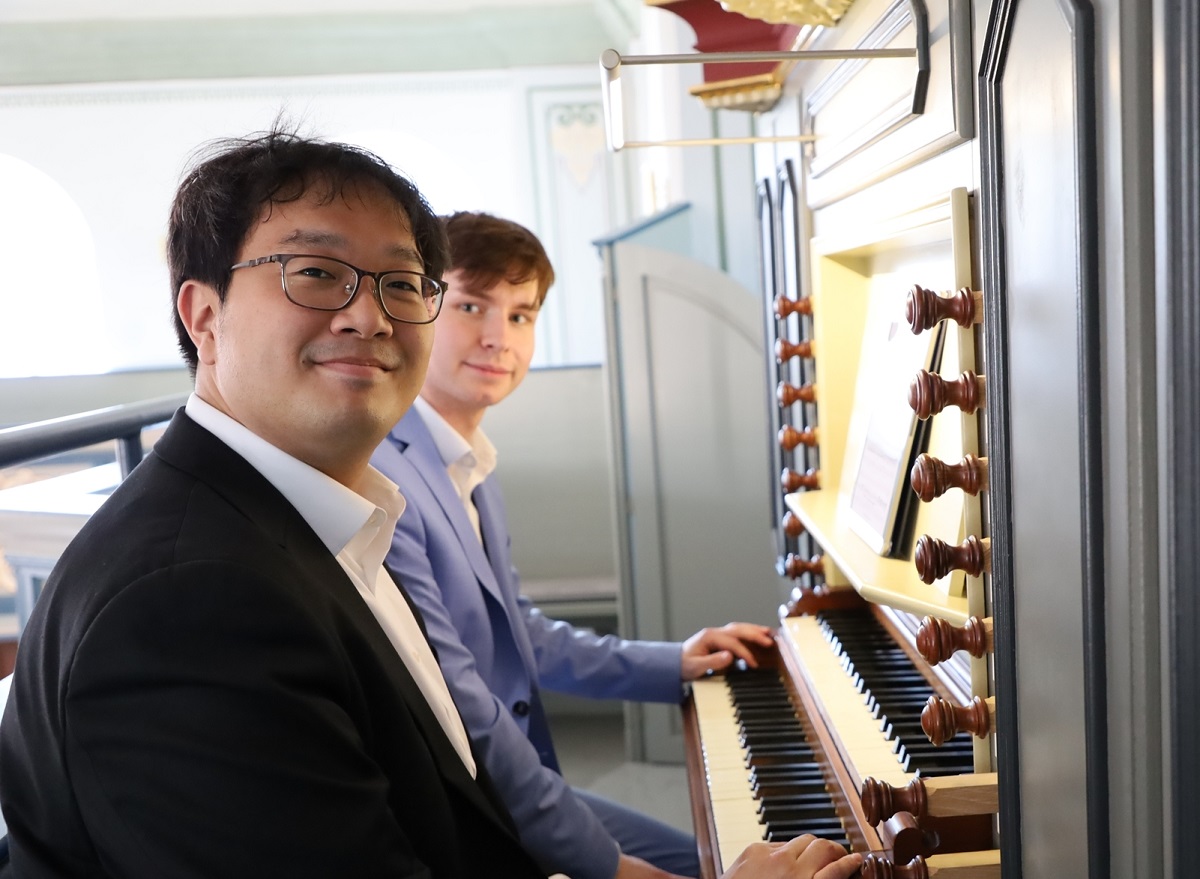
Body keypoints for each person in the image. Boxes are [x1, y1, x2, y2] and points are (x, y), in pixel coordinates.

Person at [0, 130, 860, 879]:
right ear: (205, 315)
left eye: (402, 284)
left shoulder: (323, 512)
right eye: (316, 273)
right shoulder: (189, 599)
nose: (369, 315)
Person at [370, 212, 800, 879]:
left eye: (521, 314)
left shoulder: (467, 459)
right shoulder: (389, 473)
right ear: (419, 309)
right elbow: (461, 709)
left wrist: (673, 662)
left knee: (710, 857)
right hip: (464, 808)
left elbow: (521, 637)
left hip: (518, 776)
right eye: (471, 306)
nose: (497, 337)